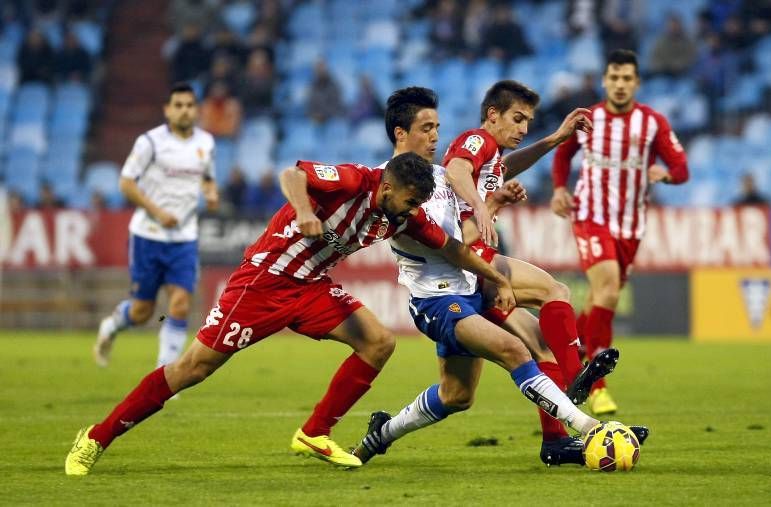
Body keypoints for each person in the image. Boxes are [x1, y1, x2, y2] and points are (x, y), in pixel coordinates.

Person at [66, 151, 518, 475]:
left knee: (378, 341)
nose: (414, 210)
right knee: (193, 368)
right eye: (408, 200)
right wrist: (304, 210)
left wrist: (496, 279)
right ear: (387, 187)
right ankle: (97, 437)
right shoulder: (353, 179)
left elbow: (454, 249)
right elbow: (293, 173)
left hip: (311, 289)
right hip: (263, 283)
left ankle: (315, 432)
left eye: (418, 203)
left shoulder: (401, 217)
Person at [352, 87, 648, 466]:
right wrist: (487, 208)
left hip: (472, 282)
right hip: (438, 298)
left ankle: (384, 431)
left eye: (437, 127)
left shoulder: (438, 176)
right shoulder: (392, 189)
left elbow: (495, 172)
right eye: (426, 128)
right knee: (519, 345)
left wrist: (553, 141)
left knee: (460, 393)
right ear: (399, 133)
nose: (436, 137)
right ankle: (587, 423)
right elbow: (453, 245)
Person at [442, 80, 606, 409]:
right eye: (518, 119)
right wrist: (480, 207)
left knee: (542, 347)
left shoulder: (493, 156)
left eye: (528, 121)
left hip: (469, 264)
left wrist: (556, 139)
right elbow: (455, 170)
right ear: (493, 114)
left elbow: (507, 166)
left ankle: (556, 442)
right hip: (470, 258)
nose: (524, 128)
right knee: (555, 291)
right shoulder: (478, 139)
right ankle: (577, 374)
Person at [550, 49, 689, 415]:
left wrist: (667, 174)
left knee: (600, 297)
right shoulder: (589, 119)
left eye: (627, 78)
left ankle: (566, 350)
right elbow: (562, 156)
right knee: (608, 287)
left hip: (630, 225)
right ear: (604, 81)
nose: (621, 84)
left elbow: (681, 166)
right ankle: (596, 387)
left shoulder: (652, 123)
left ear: (637, 83)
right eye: (614, 77)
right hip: (590, 215)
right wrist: (560, 189)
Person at [93, 83, 219, 370]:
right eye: (178, 105)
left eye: (189, 105)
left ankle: (165, 375)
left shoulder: (206, 143)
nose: (185, 110)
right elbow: (126, 182)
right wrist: (158, 212)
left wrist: (211, 193)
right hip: (148, 236)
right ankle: (111, 326)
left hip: (185, 237)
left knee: (181, 304)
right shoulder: (149, 142)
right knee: (142, 312)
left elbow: (208, 178)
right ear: (167, 110)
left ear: (196, 110)